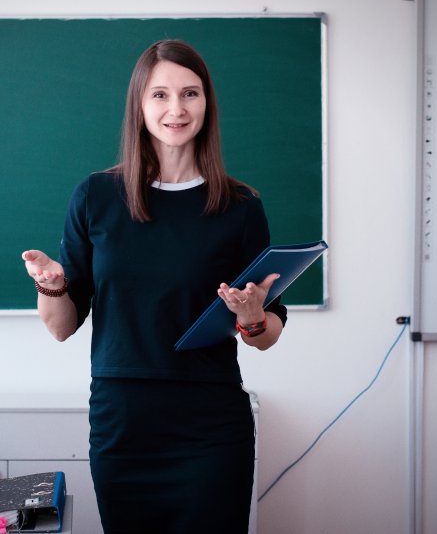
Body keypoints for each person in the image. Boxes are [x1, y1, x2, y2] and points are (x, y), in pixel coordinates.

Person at [21, 39, 287, 534]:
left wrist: (253, 318)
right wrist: (52, 286)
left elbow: (268, 332)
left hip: (211, 425)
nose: (176, 109)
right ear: (139, 106)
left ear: (207, 103)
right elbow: (61, 329)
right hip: (124, 423)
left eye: (190, 94)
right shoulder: (96, 196)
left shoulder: (241, 206)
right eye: (160, 95)